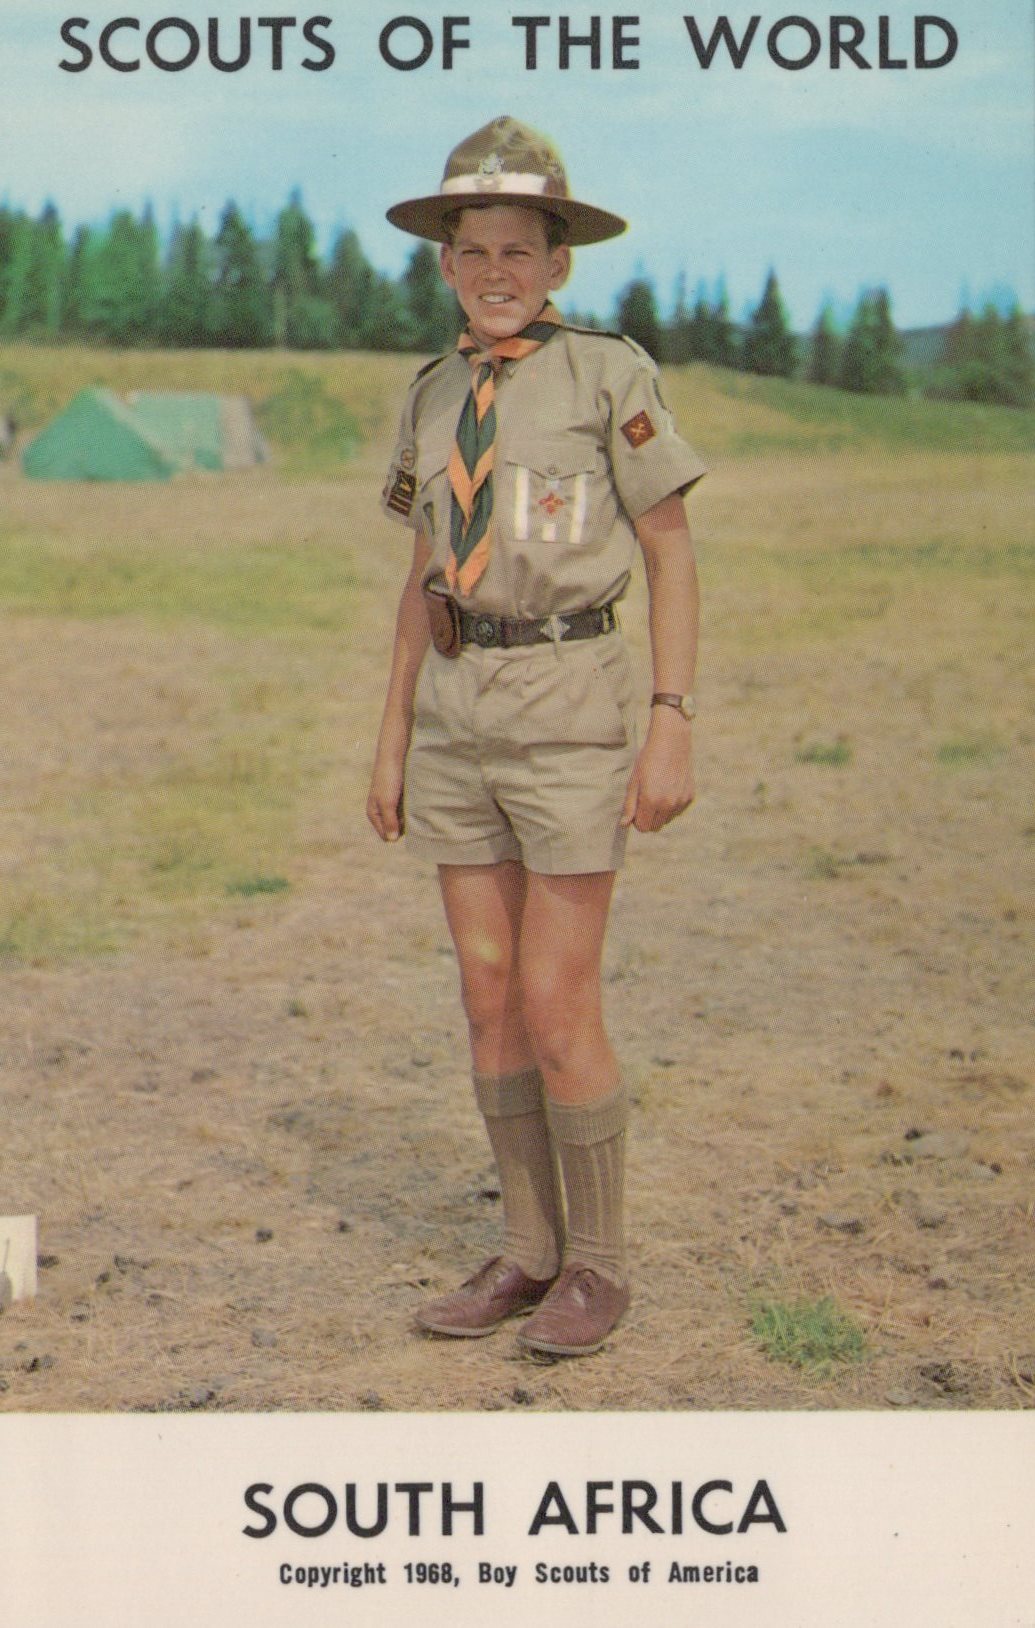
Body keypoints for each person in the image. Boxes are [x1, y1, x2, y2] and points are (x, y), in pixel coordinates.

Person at [367, 116, 705, 1357]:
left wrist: (670, 720)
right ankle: (527, 1247)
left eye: (520, 248)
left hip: (570, 704)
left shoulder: (608, 376)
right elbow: (419, 572)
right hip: (459, 707)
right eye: (473, 250)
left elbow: (669, 551)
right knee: (488, 991)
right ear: (445, 263)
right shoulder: (436, 391)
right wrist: (393, 736)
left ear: (558, 260)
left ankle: (599, 1267)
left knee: (559, 997)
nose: (497, 271)